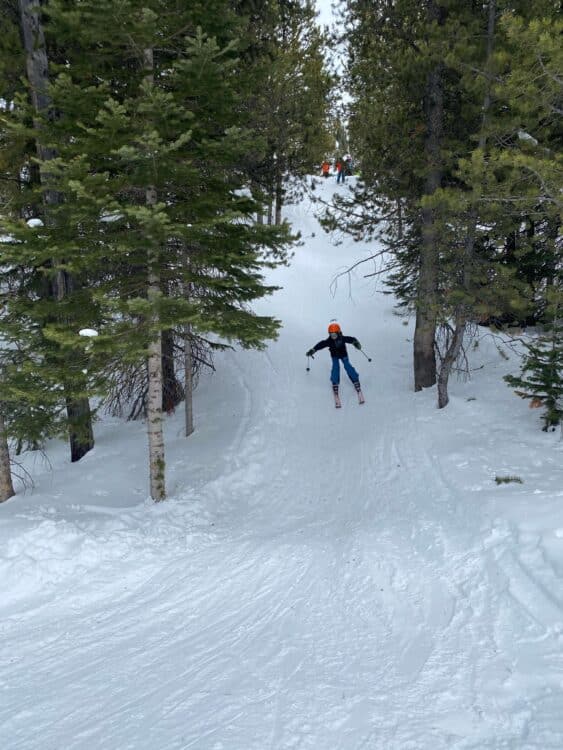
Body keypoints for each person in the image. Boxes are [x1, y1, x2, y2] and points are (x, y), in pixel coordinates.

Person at [306, 322, 364, 402]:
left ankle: (355, 379)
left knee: (347, 366)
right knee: (335, 368)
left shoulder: (342, 338)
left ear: (338, 333)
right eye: (331, 334)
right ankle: (335, 381)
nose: (333, 336)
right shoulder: (329, 341)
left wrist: (356, 343)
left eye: (334, 334)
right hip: (335, 356)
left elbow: (351, 339)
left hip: (343, 355)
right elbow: (321, 344)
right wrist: (313, 350)